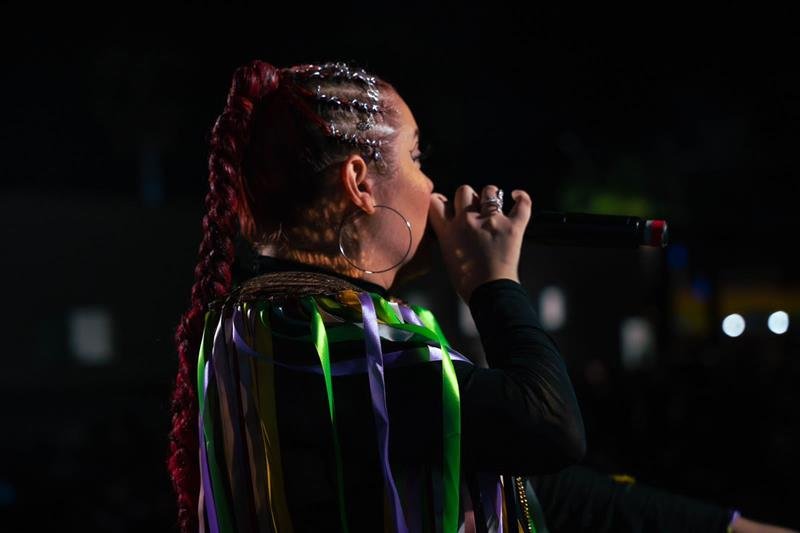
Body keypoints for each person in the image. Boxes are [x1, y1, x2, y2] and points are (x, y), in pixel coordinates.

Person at [166, 59, 794, 533]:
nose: (433, 185)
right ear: (359, 182)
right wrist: (494, 283)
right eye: (416, 157)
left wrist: (730, 527)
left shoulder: (256, 326)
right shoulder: (328, 340)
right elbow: (547, 426)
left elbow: (528, 484)